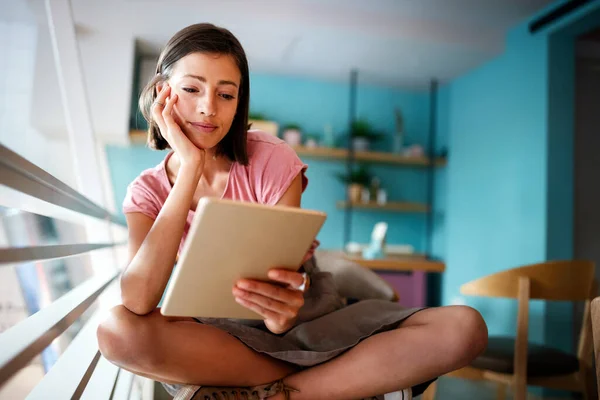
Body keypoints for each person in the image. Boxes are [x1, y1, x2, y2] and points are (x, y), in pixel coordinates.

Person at [96, 23, 488, 400]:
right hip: (222, 333)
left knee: (465, 327)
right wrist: (189, 170)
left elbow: (287, 288)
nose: (207, 108)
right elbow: (138, 300)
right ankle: (345, 382)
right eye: (191, 88)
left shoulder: (271, 158)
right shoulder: (147, 192)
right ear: (164, 93)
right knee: (117, 331)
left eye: (226, 95)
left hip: (303, 314)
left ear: (239, 104)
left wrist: (282, 314)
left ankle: (285, 394)